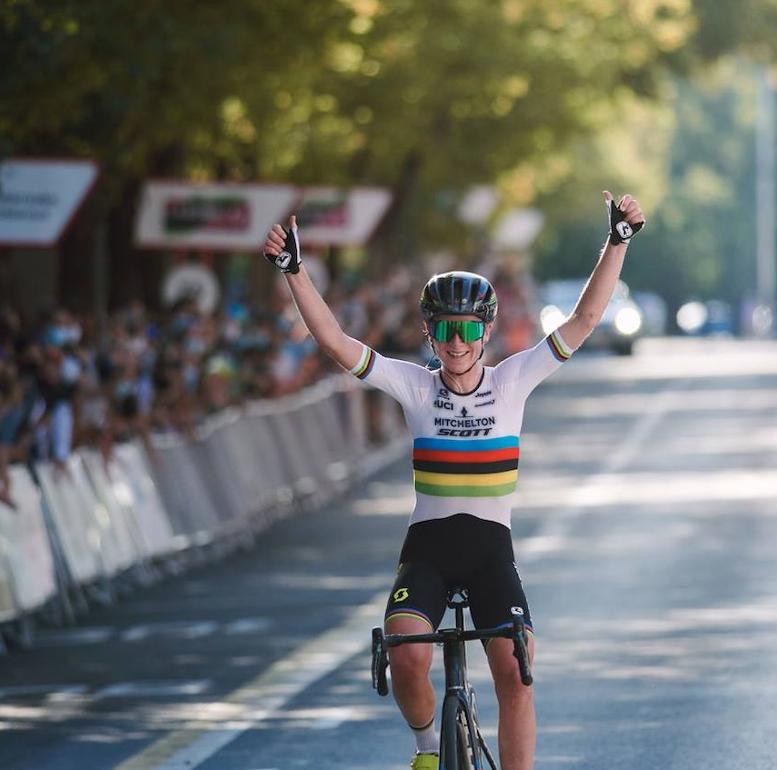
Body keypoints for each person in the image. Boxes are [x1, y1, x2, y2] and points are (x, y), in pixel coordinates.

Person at [262, 191, 645, 770]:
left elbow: (585, 319)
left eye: (467, 328)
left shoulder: (512, 380)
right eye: (445, 329)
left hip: (491, 553)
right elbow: (337, 343)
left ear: (485, 331)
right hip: (429, 553)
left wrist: (616, 241)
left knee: (516, 672)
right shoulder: (416, 386)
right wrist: (294, 271)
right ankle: (426, 749)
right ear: (430, 333)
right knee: (405, 654)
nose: (457, 342)